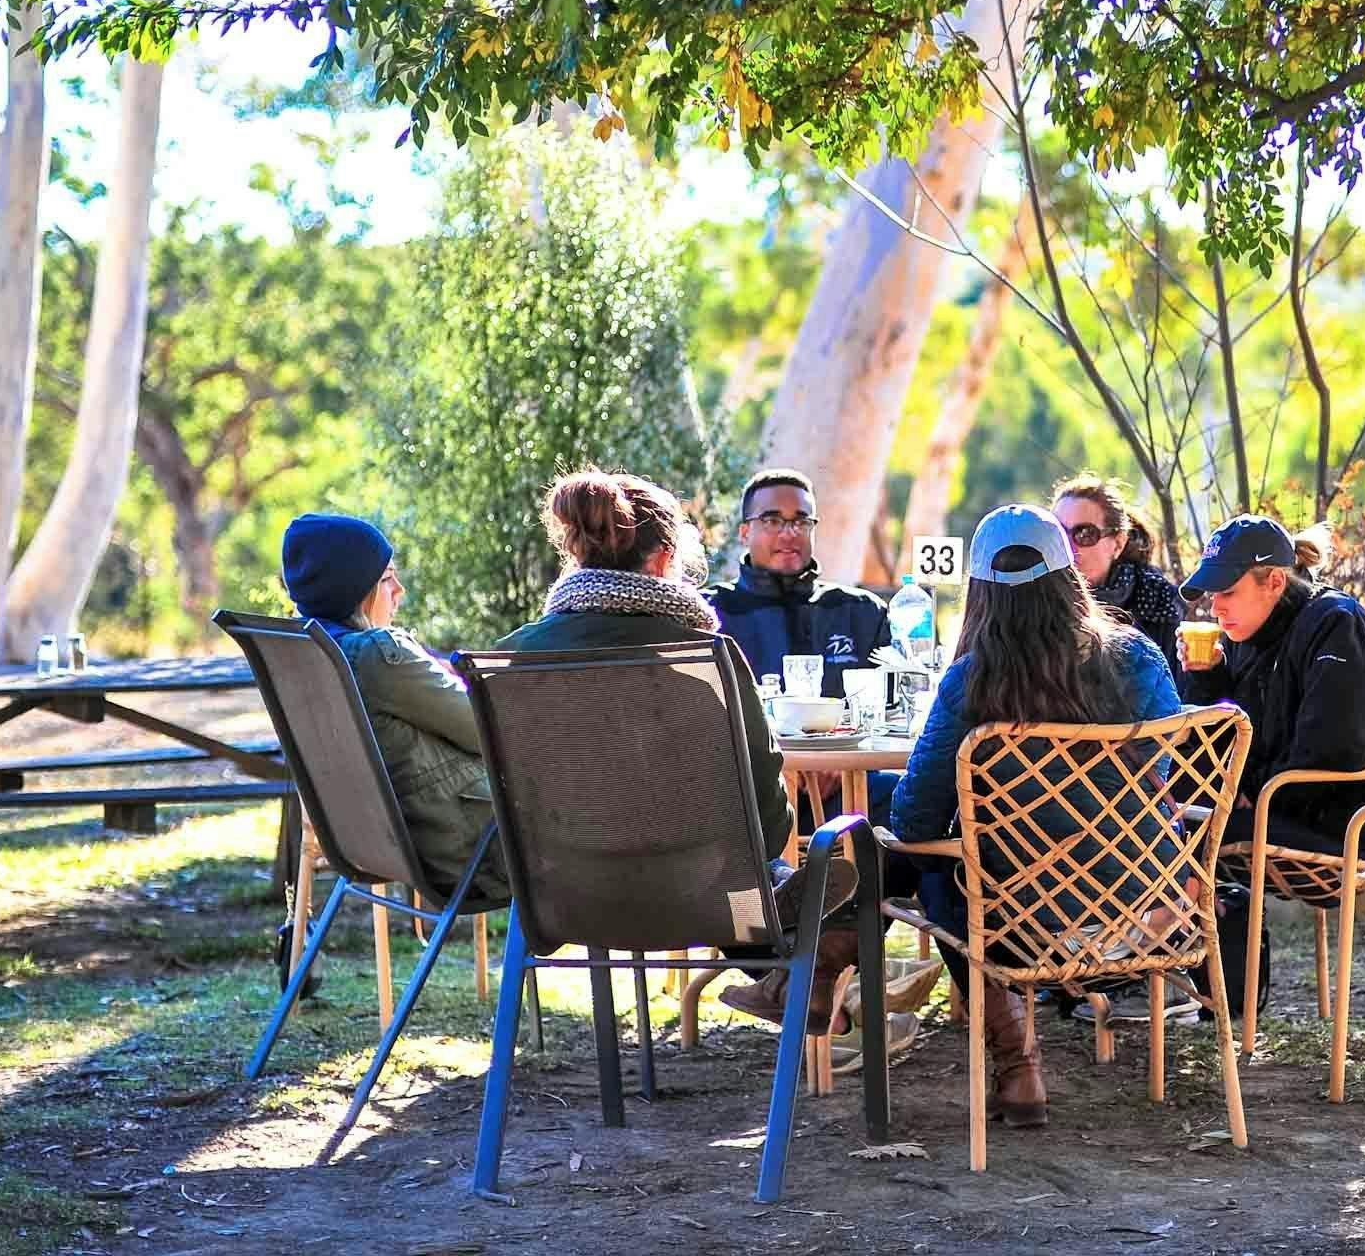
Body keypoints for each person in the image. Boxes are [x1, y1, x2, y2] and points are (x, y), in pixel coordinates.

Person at [492, 470, 865, 1041]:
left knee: (772, 877)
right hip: (704, 893)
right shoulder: (705, 656)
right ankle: (808, 978)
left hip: (562, 893)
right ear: (666, 560)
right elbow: (766, 814)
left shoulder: (515, 657)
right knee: (849, 852)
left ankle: (806, 987)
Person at [888, 504, 1186, 1131]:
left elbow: (915, 822)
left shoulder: (973, 682)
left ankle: (1017, 1063)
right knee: (942, 854)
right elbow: (1169, 766)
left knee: (934, 865)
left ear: (979, 593)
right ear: (1069, 576)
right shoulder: (1135, 657)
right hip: (1148, 909)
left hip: (1023, 922)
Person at [1177, 513, 1365, 1013]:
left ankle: (1167, 983)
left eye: (1227, 593)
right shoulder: (1246, 638)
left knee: (1188, 834)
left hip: (1352, 831)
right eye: (1211, 595)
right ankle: (1206, 996)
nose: (1214, 607)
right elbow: (1222, 744)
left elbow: (1337, 748)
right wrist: (1206, 680)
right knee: (1168, 818)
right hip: (1284, 812)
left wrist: (1251, 792)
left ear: (1275, 581)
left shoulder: (1334, 624)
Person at [280, 513, 509, 908]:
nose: (400, 590)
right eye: (387, 579)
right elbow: (491, 730)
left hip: (376, 845)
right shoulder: (378, 657)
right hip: (473, 849)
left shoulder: (306, 652)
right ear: (352, 589)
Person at [706, 469, 894, 697]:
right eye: (772, 521)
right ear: (744, 533)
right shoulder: (710, 613)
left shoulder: (863, 612)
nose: (788, 534)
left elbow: (896, 704)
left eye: (801, 522)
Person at [1052, 474, 1185, 676]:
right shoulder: (1036, 599)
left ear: (1118, 543)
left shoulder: (1157, 603)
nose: (1068, 547)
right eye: (1058, 534)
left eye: (1085, 534)